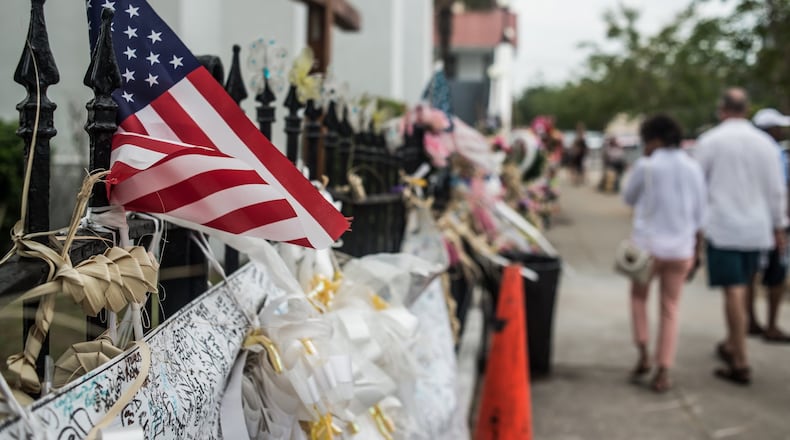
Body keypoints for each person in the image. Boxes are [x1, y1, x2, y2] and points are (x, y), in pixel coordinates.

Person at [694, 88, 788, 385]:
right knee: (744, 285)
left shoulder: (710, 142)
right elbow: (777, 190)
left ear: (722, 110)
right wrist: (779, 226)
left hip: (724, 228)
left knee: (733, 290)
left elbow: (698, 190)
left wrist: (694, 230)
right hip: (757, 228)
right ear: (746, 110)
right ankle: (734, 342)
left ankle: (740, 358)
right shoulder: (766, 145)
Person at [623, 114, 706, 392]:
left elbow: (628, 198)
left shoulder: (646, 166)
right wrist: (698, 247)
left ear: (654, 139)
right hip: (681, 247)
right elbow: (700, 214)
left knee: (638, 299)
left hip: (648, 247)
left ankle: (643, 352)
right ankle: (663, 369)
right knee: (671, 308)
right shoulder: (693, 167)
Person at [747, 108, 790, 342]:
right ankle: (771, 325)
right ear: (771, 129)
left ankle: (751, 321)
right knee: (777, 275)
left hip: (751, 222)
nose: (782, 131)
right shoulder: (774, 153)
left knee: (750, 275)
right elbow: (781, 191)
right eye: (779, 127)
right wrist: (781, 225)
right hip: (773, 223)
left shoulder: (749, 151)